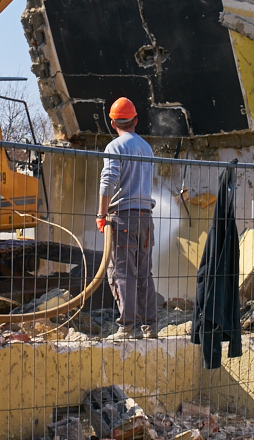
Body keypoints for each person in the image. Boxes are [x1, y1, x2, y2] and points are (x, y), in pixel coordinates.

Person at [96, 96, 158, 339]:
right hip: (146, 219)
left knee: (122, 272)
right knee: (144, 272)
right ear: (135, 120)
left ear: (113, 124)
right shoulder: (146, 147)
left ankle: (128, 328)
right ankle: (150, 326)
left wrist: (101, 214)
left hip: (123, 218)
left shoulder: (115, 147)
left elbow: (108, 182)